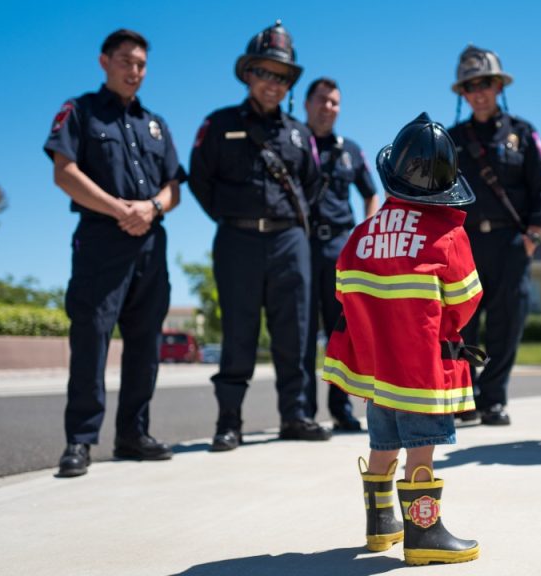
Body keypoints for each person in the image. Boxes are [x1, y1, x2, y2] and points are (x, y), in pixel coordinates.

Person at [324, 112, 484, 566]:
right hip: (422, 371)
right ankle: (424, 532)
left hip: (378, 374)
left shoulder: (362, 233)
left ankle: (381, 527)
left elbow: (343, 292)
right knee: (422, 448)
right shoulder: (448, 234)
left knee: (381, 444)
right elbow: (465, 301)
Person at [44, 29, 185, 477]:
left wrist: (152, 208)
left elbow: (174, 188)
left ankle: (133, 435)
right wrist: (120, 209)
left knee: (145, 344)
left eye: (141, 64)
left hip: (150, 242)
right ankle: (80, 441)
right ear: (104, 62)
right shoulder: (81, 112)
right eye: (126, 61)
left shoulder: (155, 123)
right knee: (92, 337)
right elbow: (64, 172)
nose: (134, 71)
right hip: (101, 239)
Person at [189, 20, 330, 449]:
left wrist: (286, 222)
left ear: (290, 83)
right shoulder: (218, 124)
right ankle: (229, 421)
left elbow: (313, 183)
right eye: (265, 72)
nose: (273, 82)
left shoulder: (299, 133)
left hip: (289, 242)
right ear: (248, 73)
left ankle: (296, 415)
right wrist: (234, 216)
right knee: (239, 331)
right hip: (238, 240)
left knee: (296, 332)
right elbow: (200, 181)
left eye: (282, 75)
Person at [448, 46, 541, 426]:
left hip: (511, 242)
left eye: (485, 83)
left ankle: (494, 398)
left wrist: (534, 235)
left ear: (498, 86)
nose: (479, 92)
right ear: (462, 92)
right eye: (470, 85)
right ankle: (468, 395)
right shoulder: (452, 140)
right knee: (465, 326)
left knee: (507, 322)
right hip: (466, 245)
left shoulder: (522, 134)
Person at [302, 77, 379, 432]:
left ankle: (341, 408)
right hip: (300, 244)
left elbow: (370, 192)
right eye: (322, 100)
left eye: (334, 102)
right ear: (306, 104)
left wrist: (367, 235)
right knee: (300, 330)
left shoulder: (350, 149)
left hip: (339, 245)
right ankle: (302, 411)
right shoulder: (294, 141)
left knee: (341, 331)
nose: (328, 107)